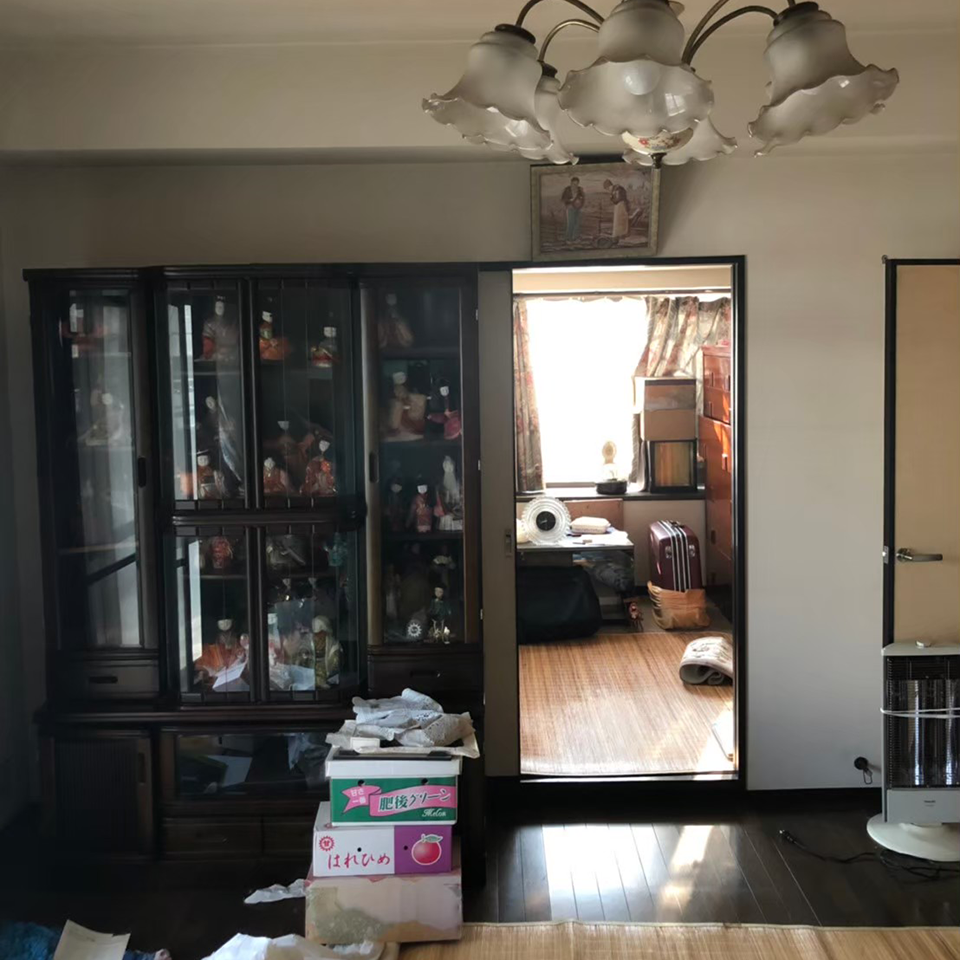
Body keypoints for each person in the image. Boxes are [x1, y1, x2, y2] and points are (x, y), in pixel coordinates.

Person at [603, 178, 630, 244]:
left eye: (607, 188)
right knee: (618, 221)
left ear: (609, 186)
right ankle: (618, 235)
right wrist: (612, 198)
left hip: (621, 205)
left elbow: (618, 199)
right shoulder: (614, 189)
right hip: (619, 205)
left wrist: (611, 198)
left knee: (620, 220)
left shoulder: (617, 189)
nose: (608, 190)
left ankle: (620, 235)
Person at [560, 175, 585, 242]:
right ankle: (568, 238)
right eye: (574, 184)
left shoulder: (580, 189)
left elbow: (583, 198)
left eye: (577, 184)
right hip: (570, 208)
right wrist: (569, 200)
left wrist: (581, 205)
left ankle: (575, 238)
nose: (575, 185)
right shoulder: (567, 190)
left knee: (577, 223)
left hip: (578, 208)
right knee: (571, 223)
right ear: (571, 183)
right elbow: (563, 199)